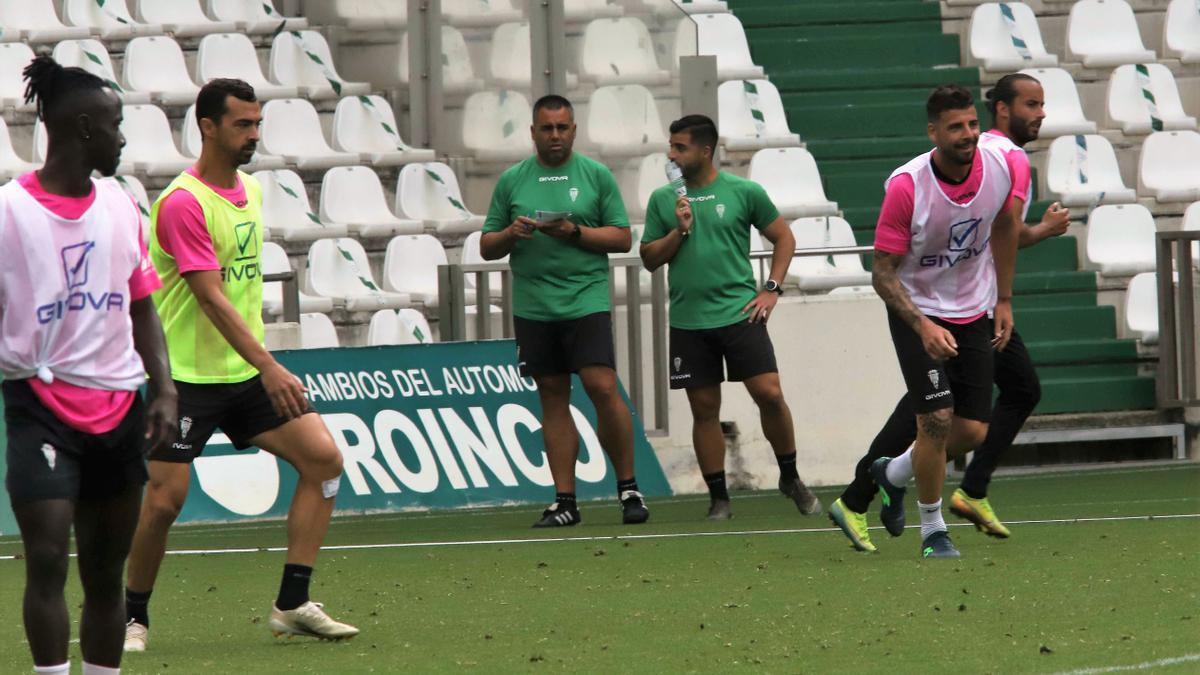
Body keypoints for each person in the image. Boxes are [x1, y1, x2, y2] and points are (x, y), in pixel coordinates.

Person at [123, 79, 357, 651]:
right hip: (181, 380)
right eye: (242, 125)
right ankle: (131, 617)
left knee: (325, 462)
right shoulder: (182, 203)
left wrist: (258, 368)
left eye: (257, 124)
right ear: (208, 127)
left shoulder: (250, 189)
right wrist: (272, 366)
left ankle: (293, 602)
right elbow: (209, 296)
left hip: (243, 375)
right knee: (164, 502)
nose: (254, 135)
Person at [829, 75, 1069, 552]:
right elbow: (882, 273)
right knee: (935, 418)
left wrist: (1002, 299)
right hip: (918, 310)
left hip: (974, 309)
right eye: (955, 127)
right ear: (933, 133)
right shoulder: (906, 186)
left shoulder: (1001, 165)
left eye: (972, 124)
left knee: (972, 430)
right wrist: (922, 325)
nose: (967, 134)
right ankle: (933, 530)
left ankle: (891, 472)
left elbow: (1004, 225)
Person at [0, 55, 177, 675]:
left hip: (119, 406)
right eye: (114, 123)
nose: (122, 136)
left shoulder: (123, 205)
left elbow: (142, 305)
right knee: (47, 558)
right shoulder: (7, 212)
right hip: (39, 407)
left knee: (105, 574)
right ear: (81, 129)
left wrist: (164, 390)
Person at [639, 114, 822, 521]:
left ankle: (789, 476)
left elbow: (784, 237)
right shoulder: (663, 200)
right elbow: (649, 258)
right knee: (704, 409)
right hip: (689, 320)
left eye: (679, 147)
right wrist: (679, 231)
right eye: (671, 146)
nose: (671, 154)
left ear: (705, 151)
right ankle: (719, 498)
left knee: (770, 393)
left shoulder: (744, 191)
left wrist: (771, 290)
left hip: (740, 314)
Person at [480, 94, 649, 528]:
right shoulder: (513, 180)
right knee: (552, 396)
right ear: (533, 131)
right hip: (535, 304)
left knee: (602, 386)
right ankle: (565, 500)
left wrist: (573, 231)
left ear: (574, 130)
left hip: (584, 298)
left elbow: (622, 239)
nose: (555, 135)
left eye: (562, 127)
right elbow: (487, 245)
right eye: (546, 128)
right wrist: (512, 233)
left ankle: (629, 487)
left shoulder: (595, 175)